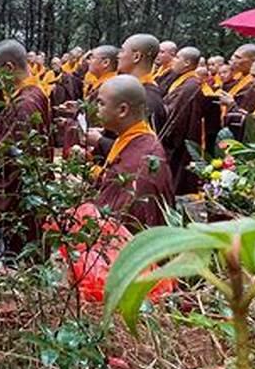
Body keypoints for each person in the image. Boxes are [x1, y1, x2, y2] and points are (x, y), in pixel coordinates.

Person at [0, 39, 51, 254]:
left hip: (14, 193)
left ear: (9, 68)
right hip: (25, 186)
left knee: (5, 239)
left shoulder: (26, 103)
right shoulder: (32, 92)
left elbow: (13, 155)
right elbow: (16, 136)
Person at [93, 76, 174, 230]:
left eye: (101, 103)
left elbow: (122, 219)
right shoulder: (131, 138)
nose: (96, 108)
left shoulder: (140, 161)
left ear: (123, 110)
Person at [159, 46, 220, 195]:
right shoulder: (182, 80)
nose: (174, 61)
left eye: (177, 57)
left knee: (179, 180)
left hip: (182, 140)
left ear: (186, 63)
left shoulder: (191, 85)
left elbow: (177, 114)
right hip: (179, 137)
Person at [116, 34, 167, 132]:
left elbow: (144, 144)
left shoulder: (148, 98)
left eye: (122, 51)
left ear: (136, 57)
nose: (118, 56)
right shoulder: (135, 90)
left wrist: (100, 140)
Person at [219, 44, 255, 113]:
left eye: (238, 57)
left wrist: (231, 104)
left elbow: (246, 112)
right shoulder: (239, 76)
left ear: (254, 61)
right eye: (233, 56)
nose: (232, 59)